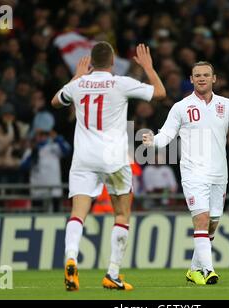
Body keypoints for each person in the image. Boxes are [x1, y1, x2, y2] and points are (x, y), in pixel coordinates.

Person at [142, 61, 229, 285]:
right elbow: (166, 135)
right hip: (193, 172)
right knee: (201, 219)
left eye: (205, 75)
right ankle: (208, 271)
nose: (201, 78)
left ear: (214, 79)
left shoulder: (226, 105)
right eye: (197, 75)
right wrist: (153, 142)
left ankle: (193, 270)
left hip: (219, 173)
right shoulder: (181, 107)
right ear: (191, 80)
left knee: (212, 222)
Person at [51, 42, 166, 291]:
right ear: (113, 62)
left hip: (83, 158)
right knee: (122, 214)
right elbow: (159, 93)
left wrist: (77, 77)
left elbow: (55, 102)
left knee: (77, 213)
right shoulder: (120, 82)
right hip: (114, 158)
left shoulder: (78, 84)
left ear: (91, 62)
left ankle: (71, 258)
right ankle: (112, 274)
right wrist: (148, 66)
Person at [20, 111, 71, 212]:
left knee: (55, 220)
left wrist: (56, 137)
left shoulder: (54, 147)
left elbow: (67, 150)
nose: (42, 136)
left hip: (54, 192)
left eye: (45, 134)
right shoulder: (31, 150)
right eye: (40, 134)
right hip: (37, 193)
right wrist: (34, 154)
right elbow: (23, 167)